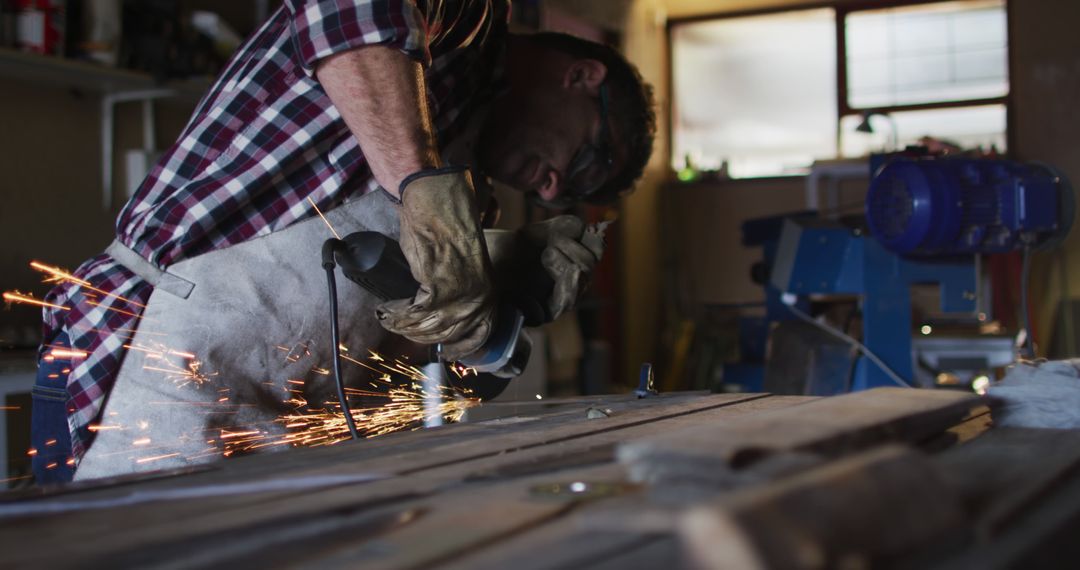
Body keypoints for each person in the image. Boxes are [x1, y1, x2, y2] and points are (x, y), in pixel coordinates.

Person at [31, 0, 656, 483]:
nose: (549, 190)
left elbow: (405, 358)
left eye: (566, 196)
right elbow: (345, 11)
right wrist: (420, 186)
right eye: (582, 164)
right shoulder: (465, 19)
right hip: (155, 370)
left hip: (283, 428)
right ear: (581, 75)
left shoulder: (470, 185)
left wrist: (495, 288)